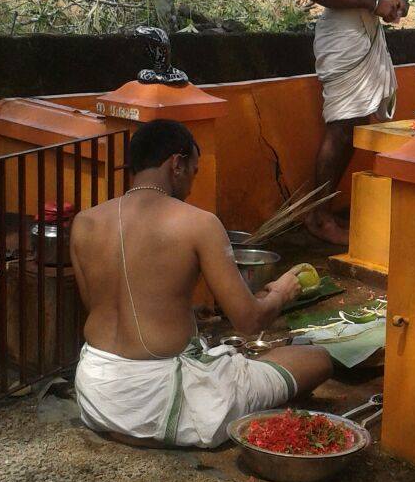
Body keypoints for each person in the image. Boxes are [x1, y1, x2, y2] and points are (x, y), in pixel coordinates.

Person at [70, 119, 332, 448]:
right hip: (157, 400)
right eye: (194, 171)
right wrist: (281, 292)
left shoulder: (84, 223)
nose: (192, 185)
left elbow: (100, 303)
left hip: (97, 392)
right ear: (176, 164)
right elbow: (249, 321)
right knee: (318, 358)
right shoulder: (199, 223)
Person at [301, 0, 408, 244]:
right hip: (342, 34)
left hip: (368, 30)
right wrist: (370, 2)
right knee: (341, 127)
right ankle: (318, 216)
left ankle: (328, 209)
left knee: (357, 126)